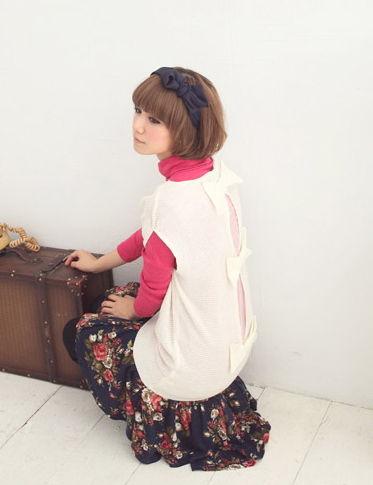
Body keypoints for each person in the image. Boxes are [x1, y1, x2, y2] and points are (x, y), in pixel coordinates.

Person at [63, 67, 271, 471]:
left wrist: (134, 310)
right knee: (113, 295)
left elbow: (152, 293)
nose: (138, 126)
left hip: (189, 368)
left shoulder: (171, 200)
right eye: (137, 111)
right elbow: (153, 237)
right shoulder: (214, 177)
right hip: (225, 348)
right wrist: (101, 261)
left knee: (81, 330)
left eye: (154, 119)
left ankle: (154, 409)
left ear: (185, 130)